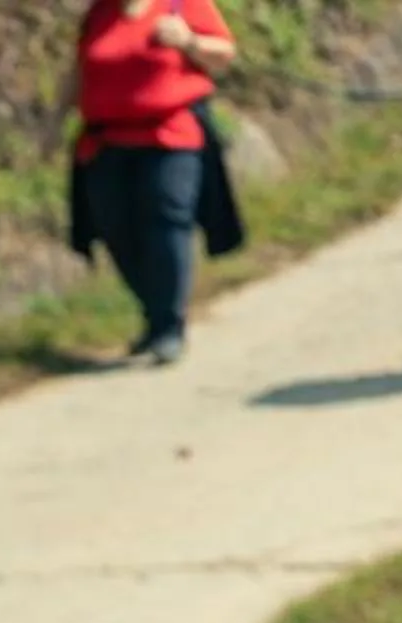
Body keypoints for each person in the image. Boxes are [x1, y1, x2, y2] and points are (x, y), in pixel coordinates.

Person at [56, 0, 238, 367]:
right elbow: (80, 71)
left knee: (167, 218)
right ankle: (156, 313)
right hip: (106, 143)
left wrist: (188, 42)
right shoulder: (99, 14)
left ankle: (169, 326)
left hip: (170, 135)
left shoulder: (181, 5)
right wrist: (54, 121)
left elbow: (224, 54)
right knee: (115, 228)